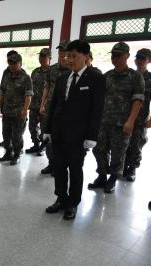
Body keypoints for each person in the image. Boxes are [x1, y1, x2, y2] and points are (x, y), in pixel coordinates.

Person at [44, 40, 105, 220]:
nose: (69, 60)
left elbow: (97, 110)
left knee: (75, 169)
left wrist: (92, 136)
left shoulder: (96, 78)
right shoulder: (63, 77)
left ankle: (73, 203)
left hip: (79, 136)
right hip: (59, 132)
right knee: (59, 167)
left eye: (74, 56)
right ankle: (61, 198)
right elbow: (54, 105)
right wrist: (48, 129)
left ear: (86, 57)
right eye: (67, 56)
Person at [89, 42, 145, 193]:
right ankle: (101, 175)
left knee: (118, 152)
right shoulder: (107, 76)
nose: (115, 58)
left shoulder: (135, 77)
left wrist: (131, 121)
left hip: (122, 124)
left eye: (118, 55)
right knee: (99, 149)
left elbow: (138, 100)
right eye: (113, 55)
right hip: (103, 121)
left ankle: (113, 177)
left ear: (127, 56)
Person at [0, 51, 33, 165]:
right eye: (10, 63)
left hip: (18, 113)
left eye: (14, 63)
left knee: (17, 135)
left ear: (20, 63)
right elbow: (2, 92)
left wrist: (25, 110)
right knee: (5, 134)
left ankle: (16, 154)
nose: (11, 65)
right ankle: (8, 152)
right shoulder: (6, 76)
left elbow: (28, 95)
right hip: (7, 111)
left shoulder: (26, 78)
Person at [39, 40, 70, 175]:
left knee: (63, 139)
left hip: (66, 112)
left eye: (65, 51)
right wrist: (42, 104)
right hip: (51, 109)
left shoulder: (73, 69)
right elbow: (47, 87)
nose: (62, 54)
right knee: (49, 137)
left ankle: (61, 166)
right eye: (60, 51)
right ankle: (51, 163)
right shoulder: (52, 69)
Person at [123, 48, 151, 181]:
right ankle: (122, 166)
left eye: (143, 59)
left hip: (141, 118)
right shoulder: (130, 76)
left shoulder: (150, 78)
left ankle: (132, 168)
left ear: (149, 61)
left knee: (136, 143)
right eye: (138, 58)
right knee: (123, 143)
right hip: (124, 116)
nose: (139, 61)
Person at [26, 48, 51, 156]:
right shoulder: (35, 71)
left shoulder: (52, 72)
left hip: (45, 106)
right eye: (40, 56)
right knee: (32, 127)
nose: (41, 59)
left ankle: (43, 147)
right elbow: (30, 89)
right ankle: (36, 144)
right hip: (34, 105)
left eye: (44, 56)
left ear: (49, 58)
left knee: (44, 128)